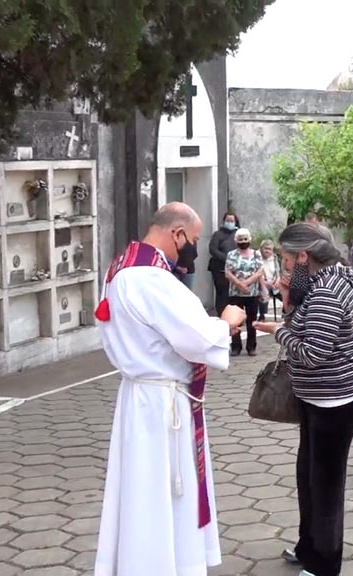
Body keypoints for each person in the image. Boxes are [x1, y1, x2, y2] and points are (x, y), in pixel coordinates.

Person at [94, 202, 246, 576]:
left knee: (142, 489)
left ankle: (140, 562)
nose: (193, 248)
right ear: (177, 233)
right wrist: (226, 322)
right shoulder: (150, 277)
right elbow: (193, 337)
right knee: (162, 492)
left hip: (139, 395)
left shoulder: (120, 268)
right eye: (193, 240)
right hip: (162, 403)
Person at [254, 223, 353, 576]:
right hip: (319, 398)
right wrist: (289, 300)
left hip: (336, 400)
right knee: (308, 474)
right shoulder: (322, 279)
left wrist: (279, 333)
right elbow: (300, 322)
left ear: (304, 256)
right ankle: (309, 546)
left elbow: (312, 353)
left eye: (288, 258)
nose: (285, 265)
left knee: (326, 483)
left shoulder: (328, 291)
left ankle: (325, 563)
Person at [224, 228, 263, 356]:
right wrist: (239, 284)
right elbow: (228, 272)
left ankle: (251, 347)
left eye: (245, 239)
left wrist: (246, 283)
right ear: (236, 241)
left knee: (252, 321)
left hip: (252, 293)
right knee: (235, 321)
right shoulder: (231, 255)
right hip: (236, 292)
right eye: (240, 239)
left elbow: (259, 271)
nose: (243, 241)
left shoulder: (256, 254)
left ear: (249, 239)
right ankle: (235, 346)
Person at [208, 211, 241, 314]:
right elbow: (213, 249)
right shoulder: (217, 234)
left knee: (235, 295)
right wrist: (227, 258)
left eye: (232, 221)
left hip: (236, 269)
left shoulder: (239, 234)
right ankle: (221, 314)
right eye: (228, 220)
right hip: (219, 269)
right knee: (222, 293)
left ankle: (234, 316)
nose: (229, 222)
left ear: (236, 222)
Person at [258, 239, 281, 322]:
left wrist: (277, 281)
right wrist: (265, 283)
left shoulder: (274, 258)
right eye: (265, 248)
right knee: (263, 292)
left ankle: (286, 313)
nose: (267, 251)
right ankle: (262, 315)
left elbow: (278, 272)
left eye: (269, 249)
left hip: (273, 283)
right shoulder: (257, 258)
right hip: (261, 283)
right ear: (261, 249)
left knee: (286, 292)